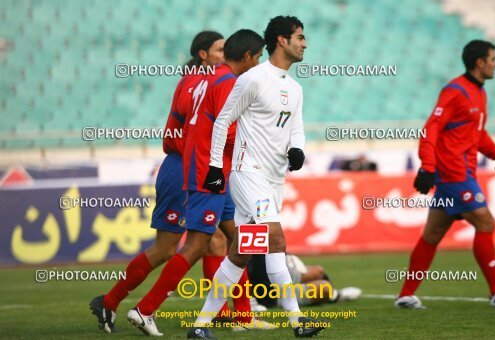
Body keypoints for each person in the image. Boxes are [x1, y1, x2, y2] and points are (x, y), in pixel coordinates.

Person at [188, 16, 326, 339]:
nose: (305, 44)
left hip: (275, 179)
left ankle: (200, 327)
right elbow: (222, 122)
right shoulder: (253, 79)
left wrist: (297, 150)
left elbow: (298, 128)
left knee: (241, 252)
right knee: (276, 239)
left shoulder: (294, 88)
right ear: (282, 40)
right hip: (247, 173)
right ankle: (297, 322)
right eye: (300, 37)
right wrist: (214, 168)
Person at [127, 29, 268, 336]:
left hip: (212, 168)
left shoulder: (207, 78)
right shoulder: (228, 83)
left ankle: (244, 316)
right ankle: (145, 309)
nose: (259, 63)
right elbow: (224, 130)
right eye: (258, 57)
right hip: (211, 171)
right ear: (247, 57)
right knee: (196, 245)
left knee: (242, 238)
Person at [89, 31, 232, 333]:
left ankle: (219, 313)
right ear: (203, 55)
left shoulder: (199, 82)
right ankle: (116, 301)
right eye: (220, 50)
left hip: (193, 167)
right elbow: (173, 134)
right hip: (185, 169)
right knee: (170, 248)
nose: (225, 54)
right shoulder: (197, 83)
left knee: (215, 241)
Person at [396, 40, 495, 309]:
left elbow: (476, 134)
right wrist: (427, 167)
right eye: (493, 59)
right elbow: (431, 128)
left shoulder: (479, 93)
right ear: (479, 62)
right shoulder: (455, 91)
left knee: (432, 234)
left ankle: (405, 295)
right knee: (485, 222)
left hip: (463, 173)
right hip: (452, 174)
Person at [248, 254, 362, 308]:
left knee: (319, 271)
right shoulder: (243, 221)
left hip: (276, 269)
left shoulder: (264, 216)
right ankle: (335, 297)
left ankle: (334, 295)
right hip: (269, 292)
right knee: (325, 288)